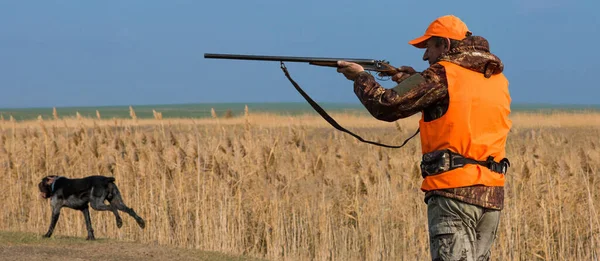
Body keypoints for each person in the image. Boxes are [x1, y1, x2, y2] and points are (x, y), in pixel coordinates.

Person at [336, 15, 512, 261]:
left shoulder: (443, 74)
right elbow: (456, 102)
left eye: (429, 47)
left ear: (446, 46)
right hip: (490, 196)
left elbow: (385, 106)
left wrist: (360, 77)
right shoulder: (494, 77)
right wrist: (412, 81)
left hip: (454, 193)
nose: (425, 56)